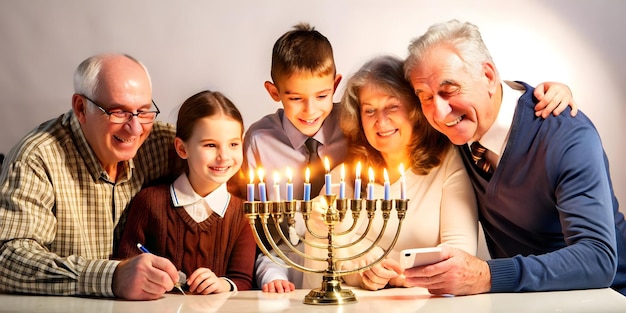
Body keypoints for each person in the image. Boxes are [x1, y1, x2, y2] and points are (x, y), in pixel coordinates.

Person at [302, 55, 575, 290]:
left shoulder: (448, 159)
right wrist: (360, 273)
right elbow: (320, 265)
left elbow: (460, 253)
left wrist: (393, 273)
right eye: (369, 110)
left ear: (415, 110)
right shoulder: (342, 177)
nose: (380, 121)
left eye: (392, 106)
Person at [403, 19, 626, 296]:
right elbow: (376, 112)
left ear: (487, 76)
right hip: (520, 302)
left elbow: (598, 260)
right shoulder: (458, 128)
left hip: (603, 298)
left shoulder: (567, 136)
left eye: (449, 90)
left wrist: (487, 276)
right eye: (424, 96)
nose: (437, 112)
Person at [0, 53, 184, 300]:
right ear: (80, 108)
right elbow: (7, 258)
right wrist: (112, 276)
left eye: (143, 110)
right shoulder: (38, 158)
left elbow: (229, 168)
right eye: (118, 112)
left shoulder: (161, 145)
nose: (135, 128)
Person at [234, 23, 346, 293]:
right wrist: (269, 272)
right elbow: (258, 228)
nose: (310, 110)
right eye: (296, 98)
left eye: (322, 95)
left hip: (344, 257)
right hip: (283, 259)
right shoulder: (259, 140)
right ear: (274, 92)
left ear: (336, 84)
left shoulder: (352, 127)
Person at [115, 90, 256, 294]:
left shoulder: (244, 213)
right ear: (182, 149)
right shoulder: (149, 202)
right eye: (210, 145)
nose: (224, 156)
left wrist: (222, 284)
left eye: (234, 144)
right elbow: (125, 265)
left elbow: (243, 279)